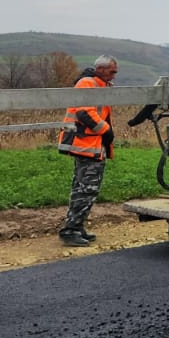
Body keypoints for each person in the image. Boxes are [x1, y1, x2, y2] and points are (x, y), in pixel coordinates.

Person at [58, 55, 118, 246]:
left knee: (82, 189)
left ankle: (76, 226)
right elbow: (84, 112)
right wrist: (106, 131)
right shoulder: (87, 83)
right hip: (86, 145)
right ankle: (71, 230)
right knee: (86, 190)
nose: (114, 75)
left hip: (92, 145)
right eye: (112, 71)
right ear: (100, 69)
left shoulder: (99, 84)